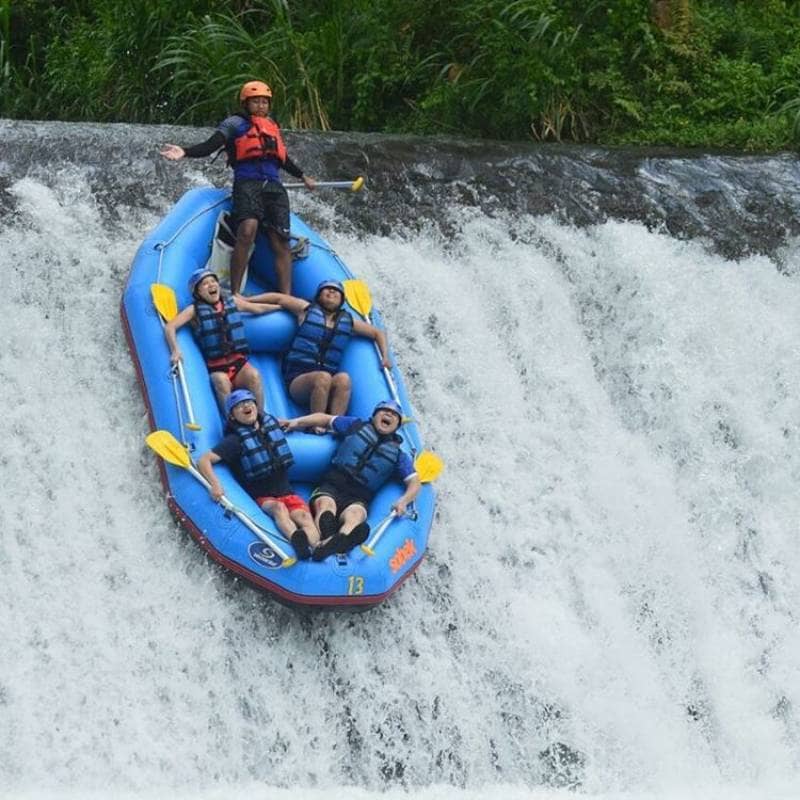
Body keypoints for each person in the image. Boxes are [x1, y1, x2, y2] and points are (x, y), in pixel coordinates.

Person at [160, 80, 316, 294]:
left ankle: (286, 296)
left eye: (264, 102)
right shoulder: (234, 123)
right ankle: (235, 293)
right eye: (256, 102)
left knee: (281, 241)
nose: (261, 106)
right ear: (246, 103)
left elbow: (282, 158)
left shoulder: (271, 125)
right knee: (246, 230)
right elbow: (210, 145)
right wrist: (185, 151)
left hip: (274, 187)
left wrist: (302, 176)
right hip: (247, 184)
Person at [281, 400, 421, 560]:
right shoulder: (355, 426)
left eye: (394, 414)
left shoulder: (399, 456)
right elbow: (325, 419)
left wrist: (403, 501)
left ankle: (337, 541)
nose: (388, 414)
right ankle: (334, 541)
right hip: (332, 484)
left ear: (397, 426)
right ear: (374, 416)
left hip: (359, 497)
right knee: (326, 506)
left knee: (355, 515)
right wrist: (295, 422)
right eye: (384, 411)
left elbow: (414, 482)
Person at [197, 389, 319, 559]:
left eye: (249, 402)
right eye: (239, 406)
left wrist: (298, 423)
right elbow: (204, 460)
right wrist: (215, 484)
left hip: (287, 491)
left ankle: (317, 547)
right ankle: (297, 542)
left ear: (256, 407)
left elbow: (288, 424)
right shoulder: (235, 441)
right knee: (279, 509)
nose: (246, 406)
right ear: (232, 416)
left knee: (304, 517)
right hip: (263, 496)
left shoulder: (271, 425)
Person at [247, 279, 390, 422]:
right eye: (327, 289)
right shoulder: (305, 309)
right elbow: (279, 298)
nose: (332, 292)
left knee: (344, 379)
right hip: (298, 380)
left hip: (326, 384)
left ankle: (335, 423)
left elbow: (378, 333)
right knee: (323, 377)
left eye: (336, 291)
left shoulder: (348, 322)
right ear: (318, 296)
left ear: (341, 300)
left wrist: (385, 358)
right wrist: (247, 299)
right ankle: (317, 424)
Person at [164, 268, 278, 411]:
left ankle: (260, 417)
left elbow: (258, 308)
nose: (211, 285)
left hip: (238, 363)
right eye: (205, 284)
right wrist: (175, 350)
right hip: (217, 367)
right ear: (198, 292)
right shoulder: (193, 310)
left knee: (254, 376)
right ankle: (233, 422)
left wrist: (280, 306)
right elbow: (170, 327)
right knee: (221, 382)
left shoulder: (232, 302)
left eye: (213, 281)